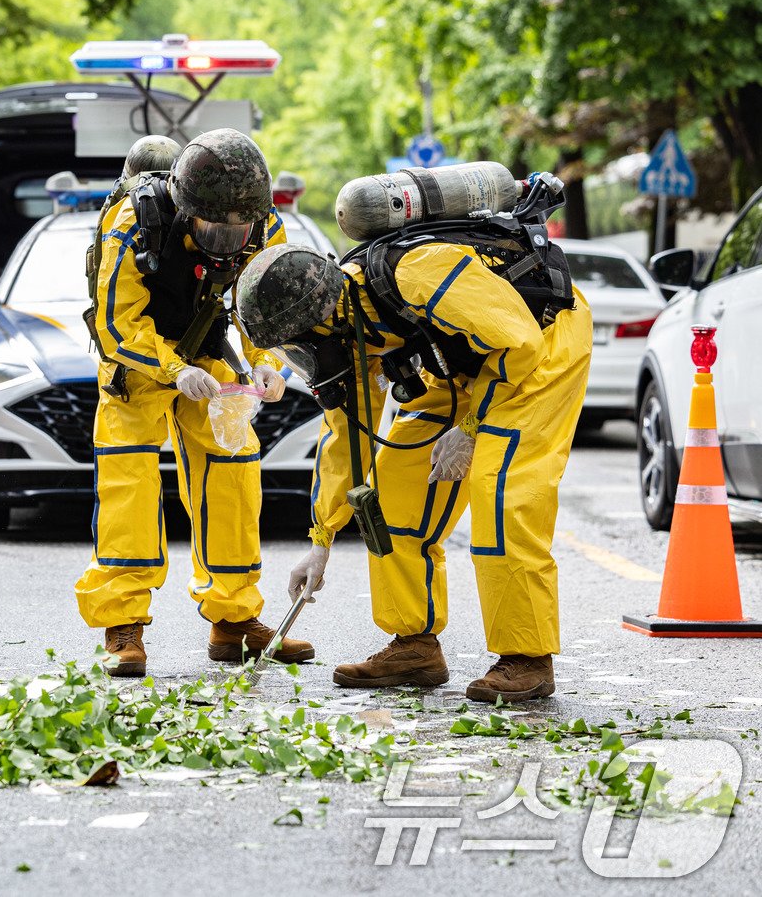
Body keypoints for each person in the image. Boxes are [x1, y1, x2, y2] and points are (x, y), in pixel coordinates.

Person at [234, 213, 591, 702]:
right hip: (466, 365)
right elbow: (347, 438)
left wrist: (468, 430)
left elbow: (519, 343)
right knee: (387, 497)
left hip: (539, 348)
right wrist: (321, 537)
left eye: (299, 343)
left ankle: (526, 658)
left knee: (499, 492)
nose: (302, 356)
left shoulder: (417, 272)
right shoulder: (349, 329)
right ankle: (414, 644)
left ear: (323, 314)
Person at [73, 127, 314, 678]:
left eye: (240, 229)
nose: (230, 239)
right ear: (187, 210)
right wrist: (173, 370)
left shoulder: (263, 223)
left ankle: (233, 623)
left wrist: (265, 363)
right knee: (128, 485)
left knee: (232, 476)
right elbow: (116, 323)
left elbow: (265, 301)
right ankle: (123, 626)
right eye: (215, 230)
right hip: (137, 360)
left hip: (206, 352)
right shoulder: (134, 224)